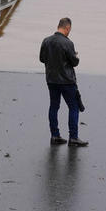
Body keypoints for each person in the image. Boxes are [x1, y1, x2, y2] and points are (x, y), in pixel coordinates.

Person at [39, 17, 88, 147]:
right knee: (74, 107)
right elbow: (74, 62)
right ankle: (73, 137)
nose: (69, 31)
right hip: (67, 81)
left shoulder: (46, 41)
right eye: (69, 29)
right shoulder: (68, 43)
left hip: (51, 80)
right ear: (67, 28)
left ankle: (55, 135)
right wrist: (75, 55)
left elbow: (42, 59)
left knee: (54, 106)